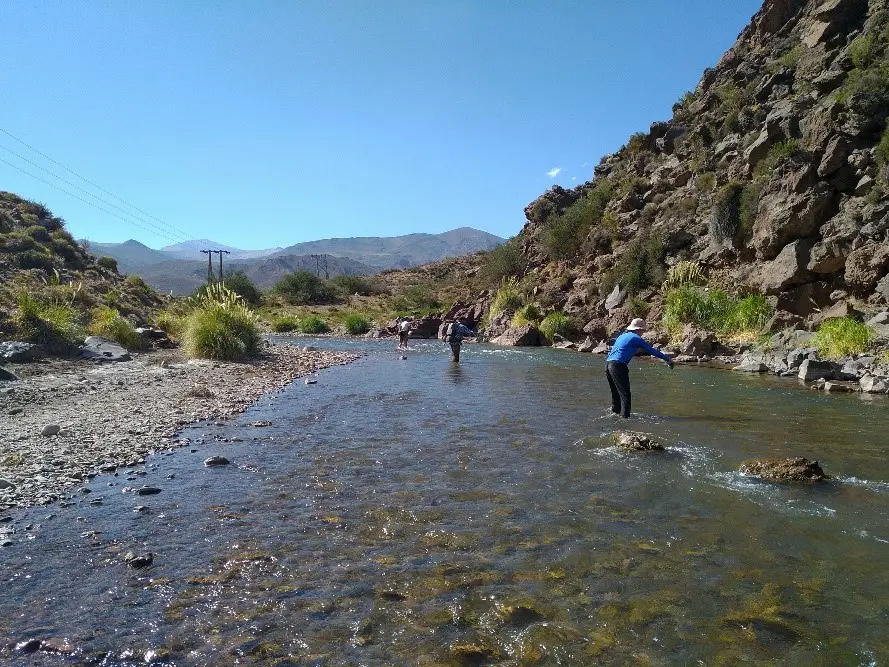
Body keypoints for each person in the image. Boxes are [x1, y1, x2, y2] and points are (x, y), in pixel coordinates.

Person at [605, 318, 674, 418]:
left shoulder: (622, 336)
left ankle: (614, 416)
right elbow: (651, 351)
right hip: (618, 366)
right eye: (643, 330)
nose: (643, 332)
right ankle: (625, 422)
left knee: (615, 395)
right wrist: (668, 359)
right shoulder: (636, 338)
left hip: (608, 364)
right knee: (626, 396)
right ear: (639, 329)